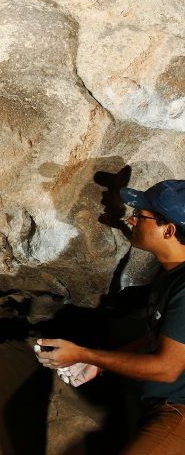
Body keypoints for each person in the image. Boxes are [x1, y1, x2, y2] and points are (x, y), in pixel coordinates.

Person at [35, 179, 185, 454]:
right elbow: (159, 338)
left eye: (141, 216)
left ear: (169, 230)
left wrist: (84, 354)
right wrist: (99, 365)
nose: (131, 219)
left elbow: (167, 368)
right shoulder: (171, 275)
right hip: (162, 407)